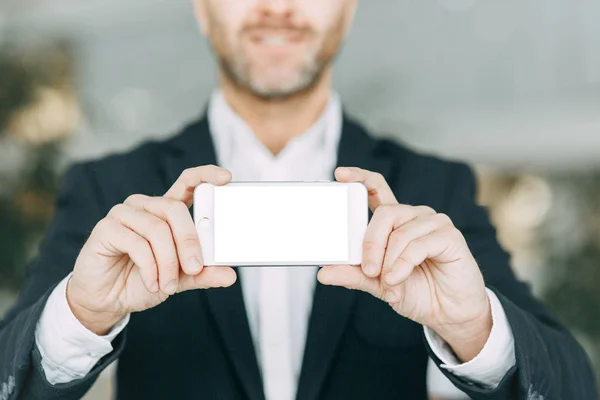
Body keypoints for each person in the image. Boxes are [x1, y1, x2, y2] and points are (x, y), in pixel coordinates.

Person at [0, 0, 596, 399]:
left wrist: (474, 327)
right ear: (202, 11)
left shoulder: (434, 189)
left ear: (348, 9)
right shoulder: (109, 186)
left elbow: (572, 383)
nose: (277, 8)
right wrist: (78, 317)